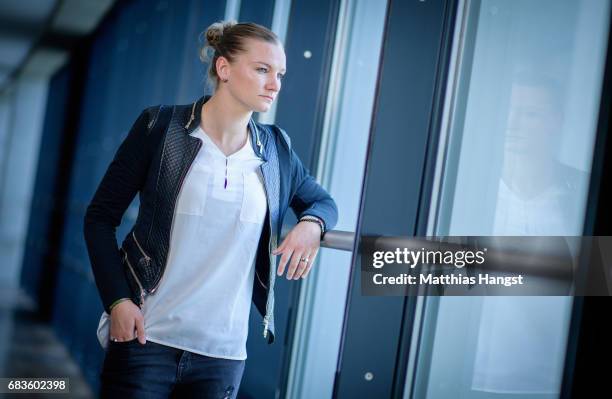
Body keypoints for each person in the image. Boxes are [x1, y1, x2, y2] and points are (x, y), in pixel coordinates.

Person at [83, 20, 338, 398]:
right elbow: (99, 218)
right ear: (224, 69)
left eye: (280, 73)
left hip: (222, 356)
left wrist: (312, 224)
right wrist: (117, 300)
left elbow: (322, 202)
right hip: (145, 338)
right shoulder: (161, 127)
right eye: (263, 70)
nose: (275, 84)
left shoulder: (276, 151)